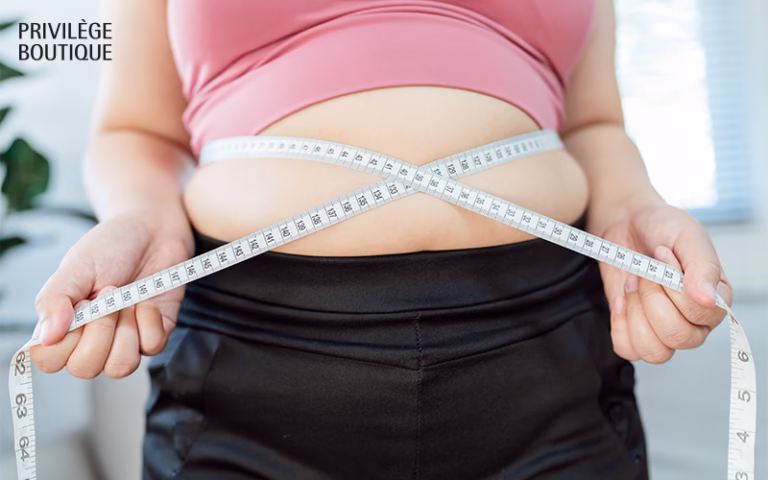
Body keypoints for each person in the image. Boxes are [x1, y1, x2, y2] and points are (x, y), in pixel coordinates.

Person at [30, 0, 732, 478]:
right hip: (252, 356)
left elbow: (593, 125)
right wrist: (137, 215)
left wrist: (634, 207)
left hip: (546, 348)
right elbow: (136, 130)